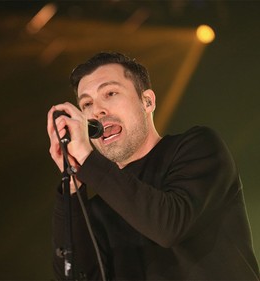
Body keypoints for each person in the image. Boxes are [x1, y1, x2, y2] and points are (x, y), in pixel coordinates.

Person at [46, 52, 259, 280]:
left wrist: (89, 160)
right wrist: (72, 189)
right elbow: (76, 275)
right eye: (86, 104)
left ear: (147, 101)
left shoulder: (198, 147)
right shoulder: (100, 206)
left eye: (110, 93)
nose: (97, 111)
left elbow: (169, 227)